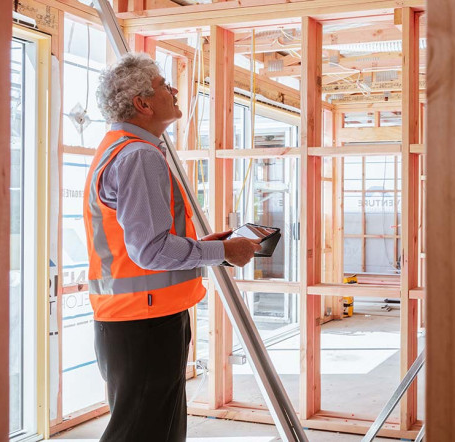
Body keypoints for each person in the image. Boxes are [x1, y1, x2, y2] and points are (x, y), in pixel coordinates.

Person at [83, 53, 261, 441]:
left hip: (137, 318)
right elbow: (149, 250)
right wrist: (223, 253)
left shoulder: (119, 147)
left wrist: (202, 246)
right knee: (142, 432)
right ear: (142, 104)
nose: (175, 89)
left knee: (154, 429)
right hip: (144, 323)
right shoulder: (139, 155)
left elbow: (142, 242)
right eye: (165, 85)